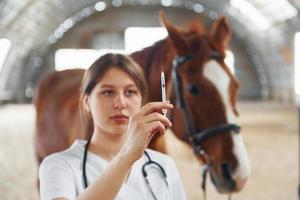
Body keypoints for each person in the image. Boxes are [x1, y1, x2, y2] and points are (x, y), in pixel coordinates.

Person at [39, 53, 187, 200]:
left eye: (130, 92)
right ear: (86, 102)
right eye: (108, 92)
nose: (121, 103)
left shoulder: (164, 166)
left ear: (142, 100)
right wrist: (127, 156)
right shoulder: (58, 165)